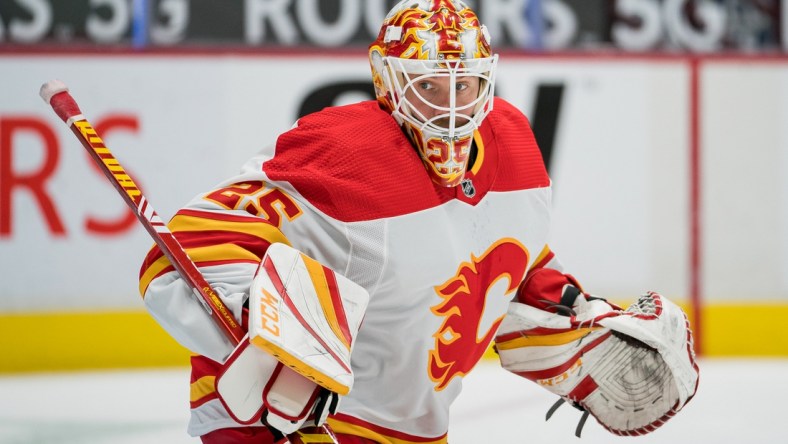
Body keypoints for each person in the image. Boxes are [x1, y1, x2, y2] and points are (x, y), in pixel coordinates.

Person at [139, 1, 699, 443]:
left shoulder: (516, 145)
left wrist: (576, 318)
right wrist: (267, 335)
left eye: (465, 85)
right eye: (428, 86)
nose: (450, 106)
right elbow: (192, 243)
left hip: (409, 428)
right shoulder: (345, 154)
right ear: (387, 81)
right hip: (283, 425)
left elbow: (502, 262)